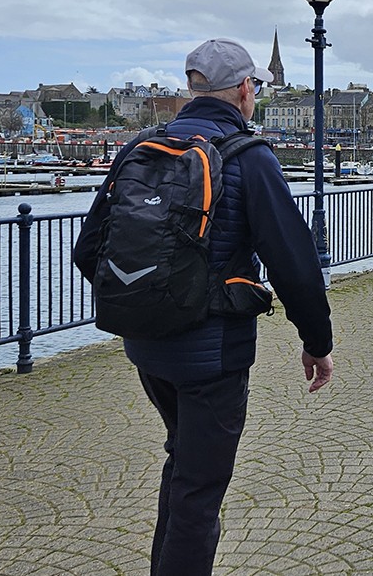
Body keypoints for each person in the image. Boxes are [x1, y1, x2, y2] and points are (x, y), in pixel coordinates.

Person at [73, 38, 335, 575]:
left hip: (147, 346)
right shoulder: (249, 157)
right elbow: (294, 263)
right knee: (199, 491)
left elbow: (88, 248)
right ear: (243, 89)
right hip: (213, 354)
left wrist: (146, 304)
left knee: (184, 466)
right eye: (255, 86)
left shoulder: (141, 147)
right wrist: (317, 343)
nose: (255, 95)